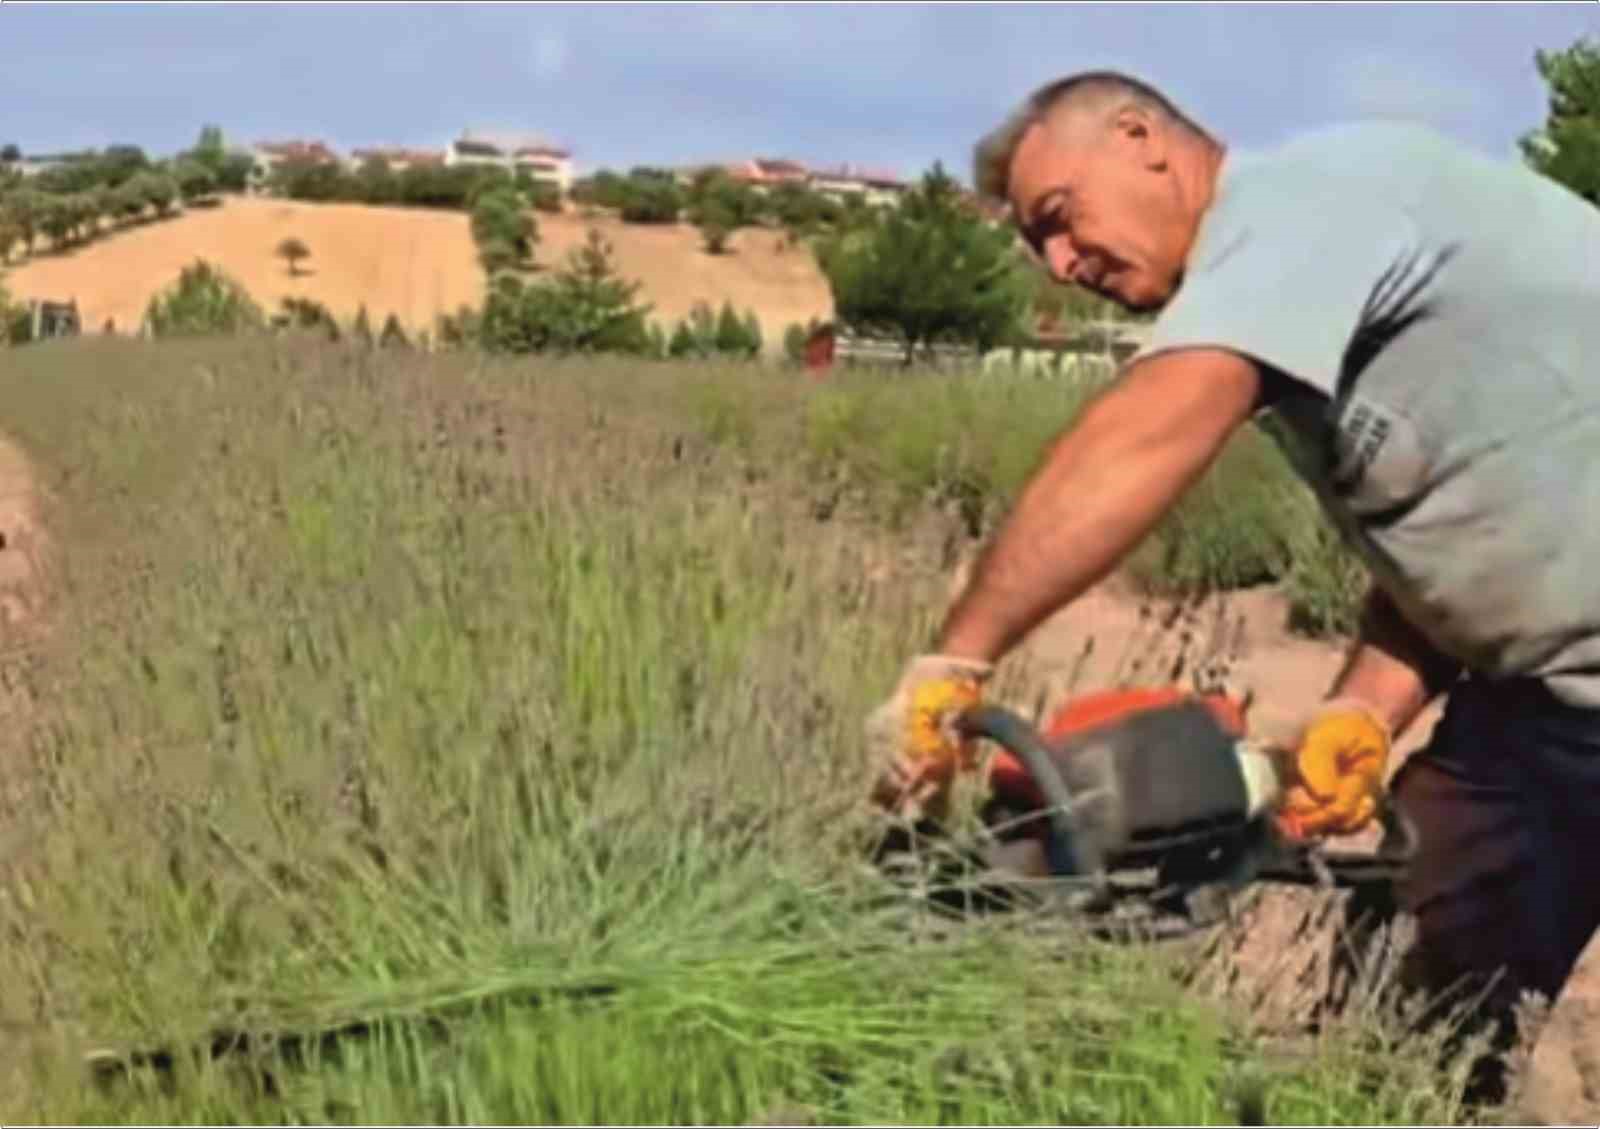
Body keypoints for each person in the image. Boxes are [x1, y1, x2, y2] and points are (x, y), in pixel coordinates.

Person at [864, 70, 1600, 1100]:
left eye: (1060, 221)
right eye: (1039, 249)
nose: (1063, 265)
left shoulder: (1308, 201)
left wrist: (957, 654)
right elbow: (1456, 531)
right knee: (1409, 1023)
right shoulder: (1310, 298)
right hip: (1547, 710)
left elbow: (1154, 424)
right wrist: (1361, 709)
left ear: (1139, 138)